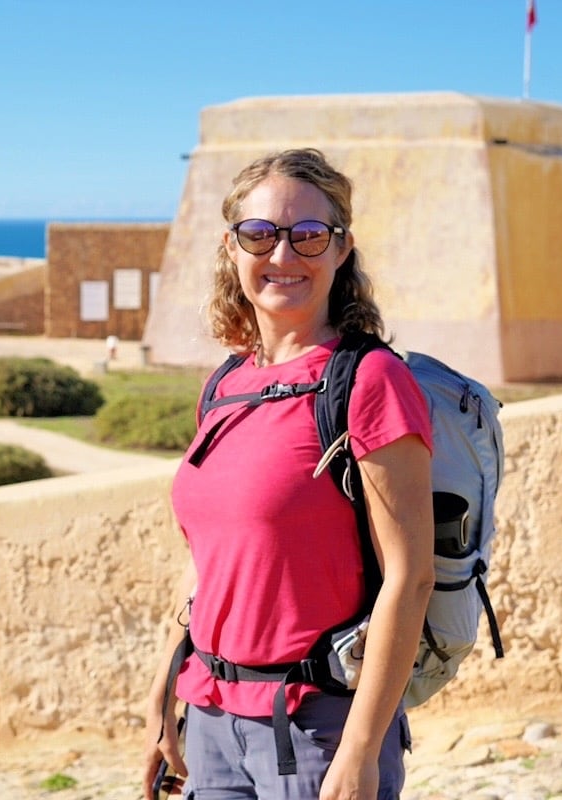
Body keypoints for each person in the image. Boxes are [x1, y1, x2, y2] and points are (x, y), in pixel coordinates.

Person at [142, 148, 434, 800]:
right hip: (212, 720)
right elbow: (209, 564)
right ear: (232, 247)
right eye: (260, 234)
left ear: (341, 248)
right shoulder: (226, 384)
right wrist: (164, 690)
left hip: (316, 728)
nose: (283, 255)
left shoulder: (370, 381)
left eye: (308, 236)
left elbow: (410, 577)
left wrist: (360, 748)